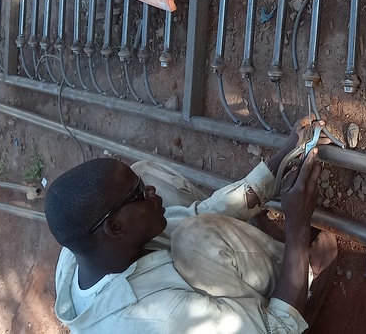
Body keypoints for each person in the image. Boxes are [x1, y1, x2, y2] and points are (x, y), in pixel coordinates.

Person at [44, 118, 335, 333]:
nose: (150, 190)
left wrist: (278, 164)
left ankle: (240, 243)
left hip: (159, 271)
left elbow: (188, 217)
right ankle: (304, 283)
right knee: (194, 238)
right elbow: (277, 331)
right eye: (140, 193)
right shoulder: (163, 318)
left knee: (147, 174)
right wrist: (297, 224)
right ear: (115, 228)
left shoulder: (81, 249)